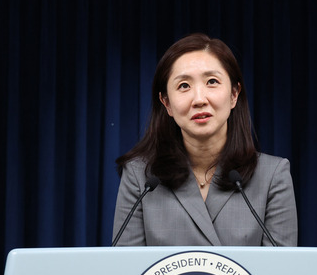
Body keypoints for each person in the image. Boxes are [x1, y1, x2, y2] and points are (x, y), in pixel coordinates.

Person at [112, 33, 297, 246]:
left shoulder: (272, 176)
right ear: (167, 103)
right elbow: (128, 273)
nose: (199, 99)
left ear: (234, 95)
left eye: (212, 82)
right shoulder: (140, 178)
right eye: (184, 86)